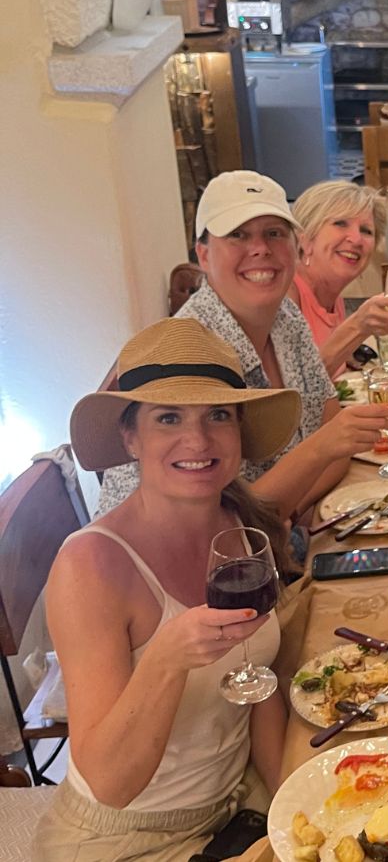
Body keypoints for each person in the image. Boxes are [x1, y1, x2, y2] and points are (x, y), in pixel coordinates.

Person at [35, 318, 299, 861]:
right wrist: (166, 659)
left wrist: (294, 807)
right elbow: (111, 782)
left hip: (235, 802)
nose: (197, 441)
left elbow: (259, 686)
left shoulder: (239, 524)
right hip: (128, 839)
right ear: (129, 437)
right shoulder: (90, 566)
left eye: (218, 416)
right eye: (168, 418)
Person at [96, 170, 388, 519]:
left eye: (273, 233)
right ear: (204, 255)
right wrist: (318, 454)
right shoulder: (187, 351)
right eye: (237, 235)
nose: (259, 249)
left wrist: (292, 518)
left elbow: (337, 449)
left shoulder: (285, 316)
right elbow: (215, 527)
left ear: (295, 245)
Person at [289, 179, 388, 377]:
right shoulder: (286, 297)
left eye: (366, 231)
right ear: (305, 237)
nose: (356, 239)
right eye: (340, 223)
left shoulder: (333, 296)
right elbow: (297, 391)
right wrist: (358, 326)